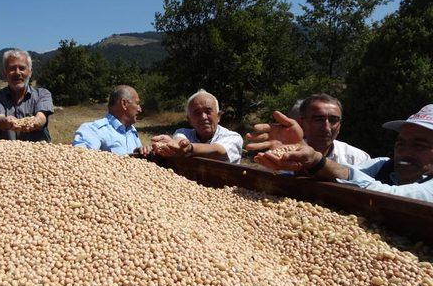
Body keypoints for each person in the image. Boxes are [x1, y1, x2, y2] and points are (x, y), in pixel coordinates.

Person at [245, 105, 433, 203]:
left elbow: (394, 197)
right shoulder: (383, 165)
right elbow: (338, 174)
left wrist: (317, 161)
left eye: (419, 145)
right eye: (401, 143)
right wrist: (299, 150)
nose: (405, 151)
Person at [151, 90, 243, 163]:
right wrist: (172, 145)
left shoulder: (233, 137)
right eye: (197, 113)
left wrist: (189, 148)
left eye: (208, 111)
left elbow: (218, 151)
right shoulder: (184, 132)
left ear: (218, 116)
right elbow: (179, 140)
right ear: (189, 120)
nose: (203, 117)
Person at [0, 49, 54, 142]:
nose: (17, 73)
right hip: (7, 153)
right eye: (12, 68)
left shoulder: (42, 94)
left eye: (22, 68)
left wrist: (35, 122)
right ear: (4, 72)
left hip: (39, 152)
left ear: (30, 72)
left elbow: (41, 118)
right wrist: (7, 121)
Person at [72, 85, 150, 155]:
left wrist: (139, 152)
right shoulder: (93, 130)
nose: (140, 109)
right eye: (137, 103)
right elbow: (84, 160)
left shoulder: (132, 131)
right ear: (124, 104)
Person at [298, 93, 370, 165]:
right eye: (319, 119)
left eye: (333, 120)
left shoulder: (358, 159)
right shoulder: (289, 156)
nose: (326, 128)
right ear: (302, 123)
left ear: (339, 126)